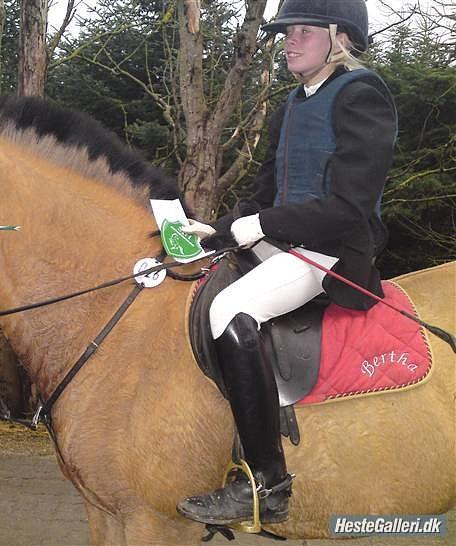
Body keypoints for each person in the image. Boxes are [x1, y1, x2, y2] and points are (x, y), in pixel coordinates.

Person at [176, 0, 398, 526]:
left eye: (301, 31)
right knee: (196, 284)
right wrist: (219, 233)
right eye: (285, 33)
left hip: (332, 253)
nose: (288, 42)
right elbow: (263, 195)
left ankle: (268, 485)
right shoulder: (294, 104)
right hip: (283, 243)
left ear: (338, 37)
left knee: (229, 309)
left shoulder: (362, 96)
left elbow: (349, 208)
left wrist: (265, 227)